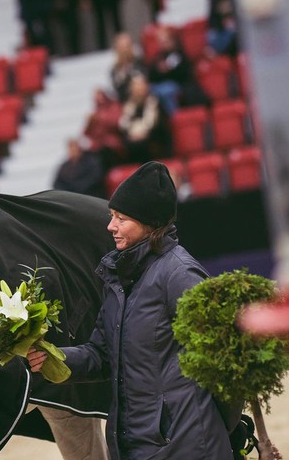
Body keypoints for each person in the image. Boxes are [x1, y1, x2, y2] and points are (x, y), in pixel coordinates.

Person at [27, 161, 232, 460]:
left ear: (149, 223)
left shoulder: (180, 274)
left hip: (184, 447)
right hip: (134, 445)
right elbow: (101, 354)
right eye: (112, 216)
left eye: (121, 218)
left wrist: (215, 429)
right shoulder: (119, 277)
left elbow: (222, 358)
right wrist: (53, 357)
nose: (110, 226)